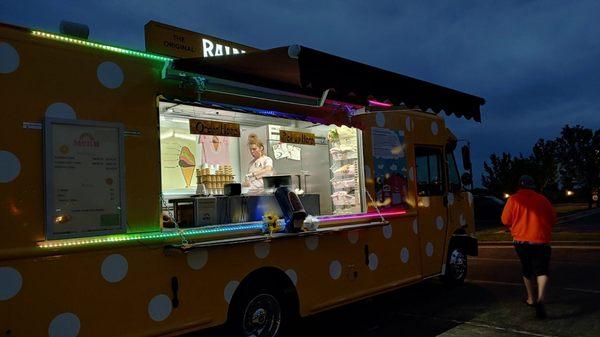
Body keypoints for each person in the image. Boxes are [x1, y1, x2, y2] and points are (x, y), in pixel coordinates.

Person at [501, 175, 556, 319]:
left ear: (519, 186)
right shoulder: (543, 199)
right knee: (542, 270)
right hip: (540, 241)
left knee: (526, 269)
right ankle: (541, 299)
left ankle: (531, 298)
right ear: (533, 186)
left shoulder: (513, 199)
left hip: (520, 242)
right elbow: (553, 218)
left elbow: (505, 220)